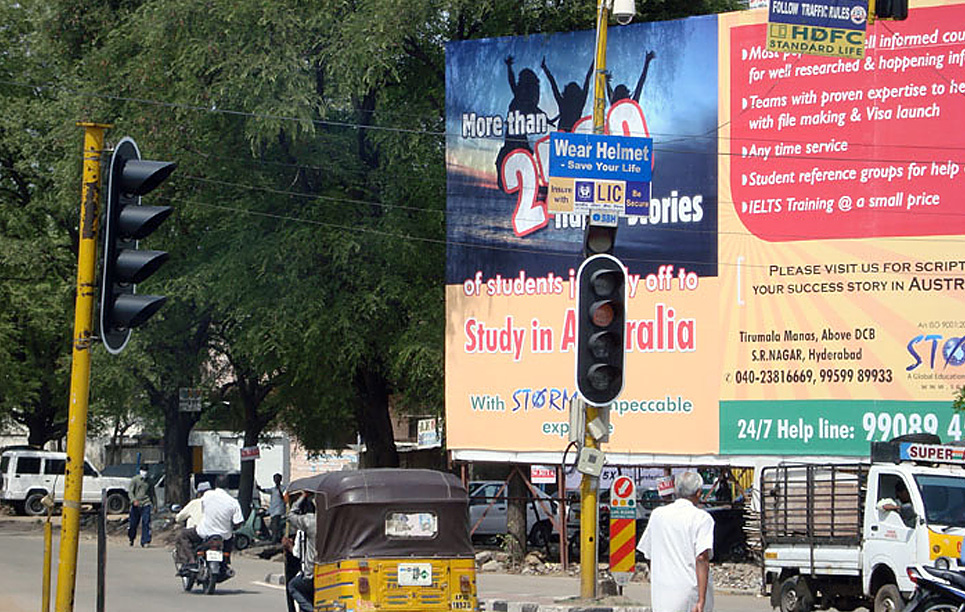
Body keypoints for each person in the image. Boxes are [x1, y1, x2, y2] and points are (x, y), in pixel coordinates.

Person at [638, 471, 715, 612]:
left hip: (662, 595)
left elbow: (647, 554)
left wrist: (659, 578)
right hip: (690, 594)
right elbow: (702, 558)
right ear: (698, 493)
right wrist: (701, 599)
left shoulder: (658, 515)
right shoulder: (702, 518)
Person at [175, 474, 244, 572]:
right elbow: (238, 522)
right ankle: (225, 563)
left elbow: (203, 509)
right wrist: (231, 527)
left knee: (183, 535)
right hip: (224, 535)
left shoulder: (208, 495)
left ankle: (191, 561)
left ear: (215, 484)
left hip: (204, 532)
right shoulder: (233, 502)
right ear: (228, 486)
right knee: (229, 540)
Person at [284, 491, 316, 612]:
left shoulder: (310, 522)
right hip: (330, 570)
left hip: (311, 572)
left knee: (293, 586)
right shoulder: (333, 522)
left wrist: (303, 496)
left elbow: (291, 515)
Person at [127, 464, 156, 547]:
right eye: (143, 470)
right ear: (140, 471)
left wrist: (154, 505)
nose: (145, 473)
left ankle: (145, 541)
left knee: (146, 522)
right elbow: (130, 492)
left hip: (146, 503)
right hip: (136, 504)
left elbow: (152, 494)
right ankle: (131, 538)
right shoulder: (135, 480)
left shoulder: (149, 481)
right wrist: (133, 500)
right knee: (133, 523)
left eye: (146, 471)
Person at [258, 473, 286, 542]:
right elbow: (265, 491)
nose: (276, 480)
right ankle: (265, 533)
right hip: (272, 509)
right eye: (275, 479)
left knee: (275, 525)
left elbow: (284, 497)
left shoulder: (283, 488)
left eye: (277, 479)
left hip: (279, 510)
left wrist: (279, 488)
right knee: (261, 517)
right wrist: (259, 488)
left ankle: (274, 539)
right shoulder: (273, 489)